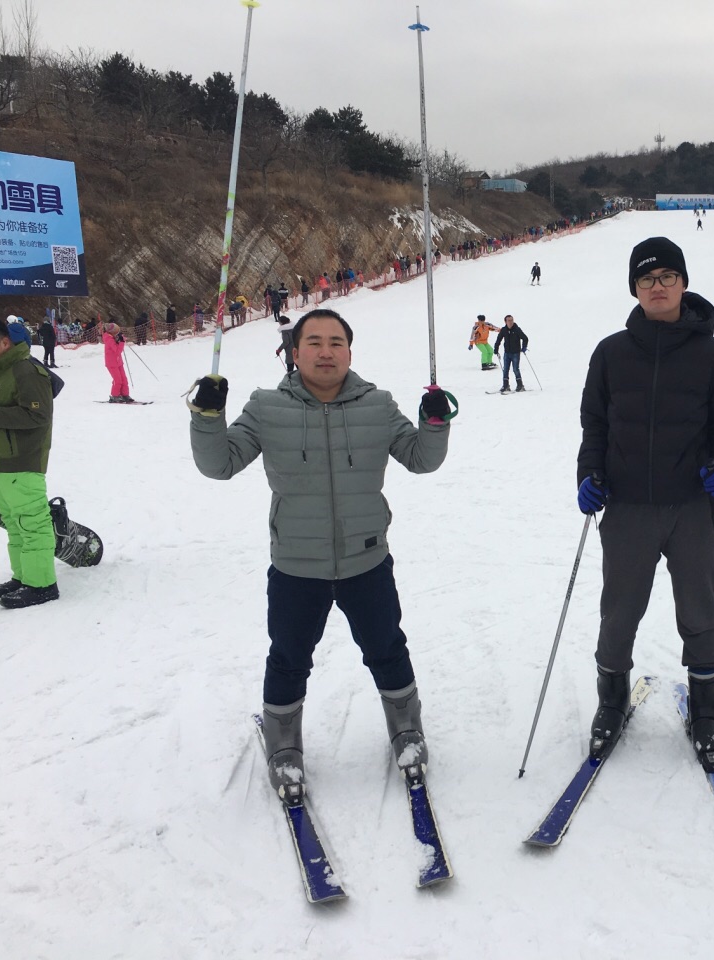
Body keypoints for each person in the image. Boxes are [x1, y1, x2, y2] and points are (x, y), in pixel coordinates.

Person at [187, 308, 455, 799]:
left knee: (387, 650)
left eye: (336, 342)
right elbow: (220, 464)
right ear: (295, 353)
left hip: (367, 561)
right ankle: (284, 745)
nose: (325, 351)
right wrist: (207, 417)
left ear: (350, 352)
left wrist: (434, 422)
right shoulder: (267, 407)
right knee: (288, 658)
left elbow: (421, 459)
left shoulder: (378, 405)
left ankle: (407, 729)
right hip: (296, 566)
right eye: (314, 341)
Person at [576, 237, 714, 772]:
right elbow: (594, 424)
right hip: (626, 507)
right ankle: (611, 701)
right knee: (618, 613)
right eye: (648, 279)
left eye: (667, 277)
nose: (658, 286)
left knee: (699, 613)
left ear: (683, 284)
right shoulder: (610, 352)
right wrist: (589, 474)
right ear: (635, 287)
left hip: (692, 507)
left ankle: (705, 710)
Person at [0, 315, 58, 609]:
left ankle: (42, 584)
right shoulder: (2, 370)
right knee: (13, 523)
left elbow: (38, 415)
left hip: (22, 460)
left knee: (31, 523)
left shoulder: (26, 370)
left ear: (4, 342)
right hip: (0, 462)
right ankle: (24, 577)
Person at [493, 314, 529, 394]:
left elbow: (525, 338)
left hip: (515, 353)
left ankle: (520, 385)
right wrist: (496, 349)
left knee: (515, 369)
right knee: (505, 369)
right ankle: (506, 385)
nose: (511, 322)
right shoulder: (503, 330)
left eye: (512, 320)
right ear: (505, 322)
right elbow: (498, 340)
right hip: (507, 353)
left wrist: (524, 347)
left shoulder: (517, 329)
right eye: (509, 320)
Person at [101, 322, 133, 403]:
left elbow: (117, 346)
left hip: (118, 362)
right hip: (112, 363)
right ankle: (115, 395)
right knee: (117, 380)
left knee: (124, 379)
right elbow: (117, 351)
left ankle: (125, 394)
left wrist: (119, 339)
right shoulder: (108, 339)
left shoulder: (112, 337)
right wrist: (121, 342)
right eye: (117, 332)